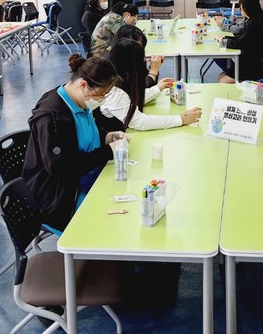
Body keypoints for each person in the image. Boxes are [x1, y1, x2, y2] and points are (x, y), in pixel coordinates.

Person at [23, 54, 128, 234]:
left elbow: (82, 135)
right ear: (83, 85)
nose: (101, 100)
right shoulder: (53, 117)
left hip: (83, 180)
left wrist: (108, 137)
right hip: (59, 197)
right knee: (115, 224)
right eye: (100, 95)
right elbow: (62, 166)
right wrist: (107, 152)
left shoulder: (78, 101)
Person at [96, 39, 202, 131]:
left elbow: (131, 100)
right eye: (141, 59)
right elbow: (140, 122)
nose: (145, 61)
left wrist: (157, 89)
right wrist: (181, 119)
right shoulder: (114, 93)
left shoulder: (116, 81)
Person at [218, 0, 263, 83]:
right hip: (253, 61)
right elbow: (241, 38)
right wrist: (224, 39)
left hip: (259, 65)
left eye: (241, 5)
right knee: (221, 76)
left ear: (246, 8)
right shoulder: (253, 20)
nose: (240, 8)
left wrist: (223, 41)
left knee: (223, 80)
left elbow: (241, 43)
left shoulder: (255, 25)